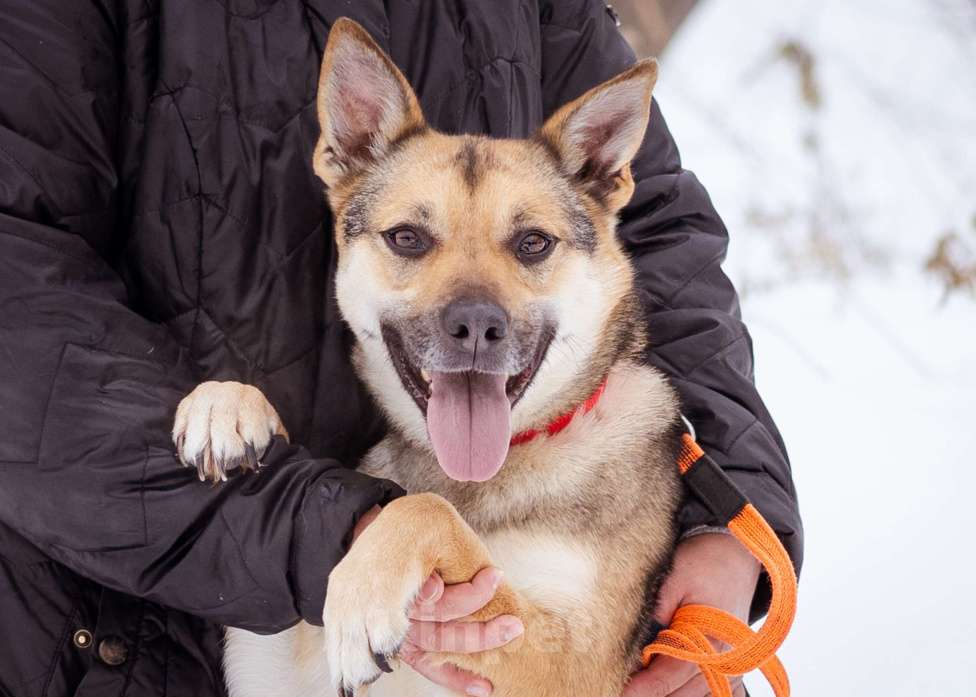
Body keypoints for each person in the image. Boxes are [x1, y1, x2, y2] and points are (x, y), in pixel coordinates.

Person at [0, 1, 802, 696]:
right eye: (413, 239)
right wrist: (313, 528)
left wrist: (731, 517)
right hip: (103, 628)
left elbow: (658, 225)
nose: (475, 312)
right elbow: (20, 289)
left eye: (527, 245)